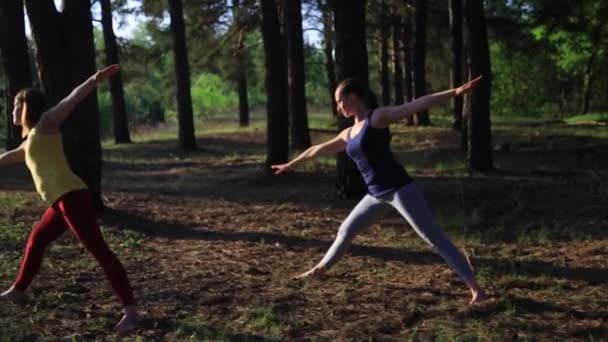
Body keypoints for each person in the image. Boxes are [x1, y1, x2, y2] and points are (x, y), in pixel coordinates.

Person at [271, 76, 485, 306]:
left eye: (339, 101)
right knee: (345, 231)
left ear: (352, 98)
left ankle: (476, 290)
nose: (337, 107)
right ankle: (319, 270)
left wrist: (455, 92)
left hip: (399, 189)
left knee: (433, 238)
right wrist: (290, 164)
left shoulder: (377, 118)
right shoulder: (348, 133)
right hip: (375, 195)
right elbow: (316, 150)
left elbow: (418, 104)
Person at [0, 65, 141, 332]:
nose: (13, 111)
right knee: (36, 241)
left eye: (16, 105)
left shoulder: (47, 124)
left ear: (27, 105)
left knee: (100, 251)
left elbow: (71, 99)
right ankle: (18, 290)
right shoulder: (29, 141)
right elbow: (4, 159)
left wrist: (93, 79)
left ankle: (131, 311)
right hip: (61, 201)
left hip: (72, 197)